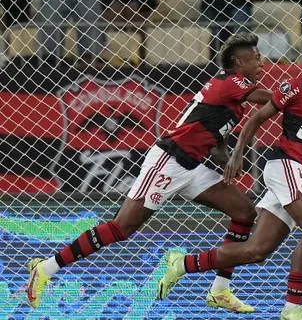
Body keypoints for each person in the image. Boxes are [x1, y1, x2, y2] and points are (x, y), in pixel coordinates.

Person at [26, 34, 273, 313]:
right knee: (122, 227)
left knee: (244, 212)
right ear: (239, 62)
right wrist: (299, 94)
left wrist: (225, 157)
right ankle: (46, 267)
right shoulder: (232, 82)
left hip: (191, 167)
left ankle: (220, 290)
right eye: (256, 57)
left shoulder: (229, 92)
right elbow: (273, 100)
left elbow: (210, 128)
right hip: (167, 162)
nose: (261, 62)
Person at [156, 33, 302, 320]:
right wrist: (238, 152)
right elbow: (256, 118)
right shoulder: (297, 87)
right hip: (285, 164)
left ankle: (182, 264)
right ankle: (293, 309)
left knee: (256, 251)